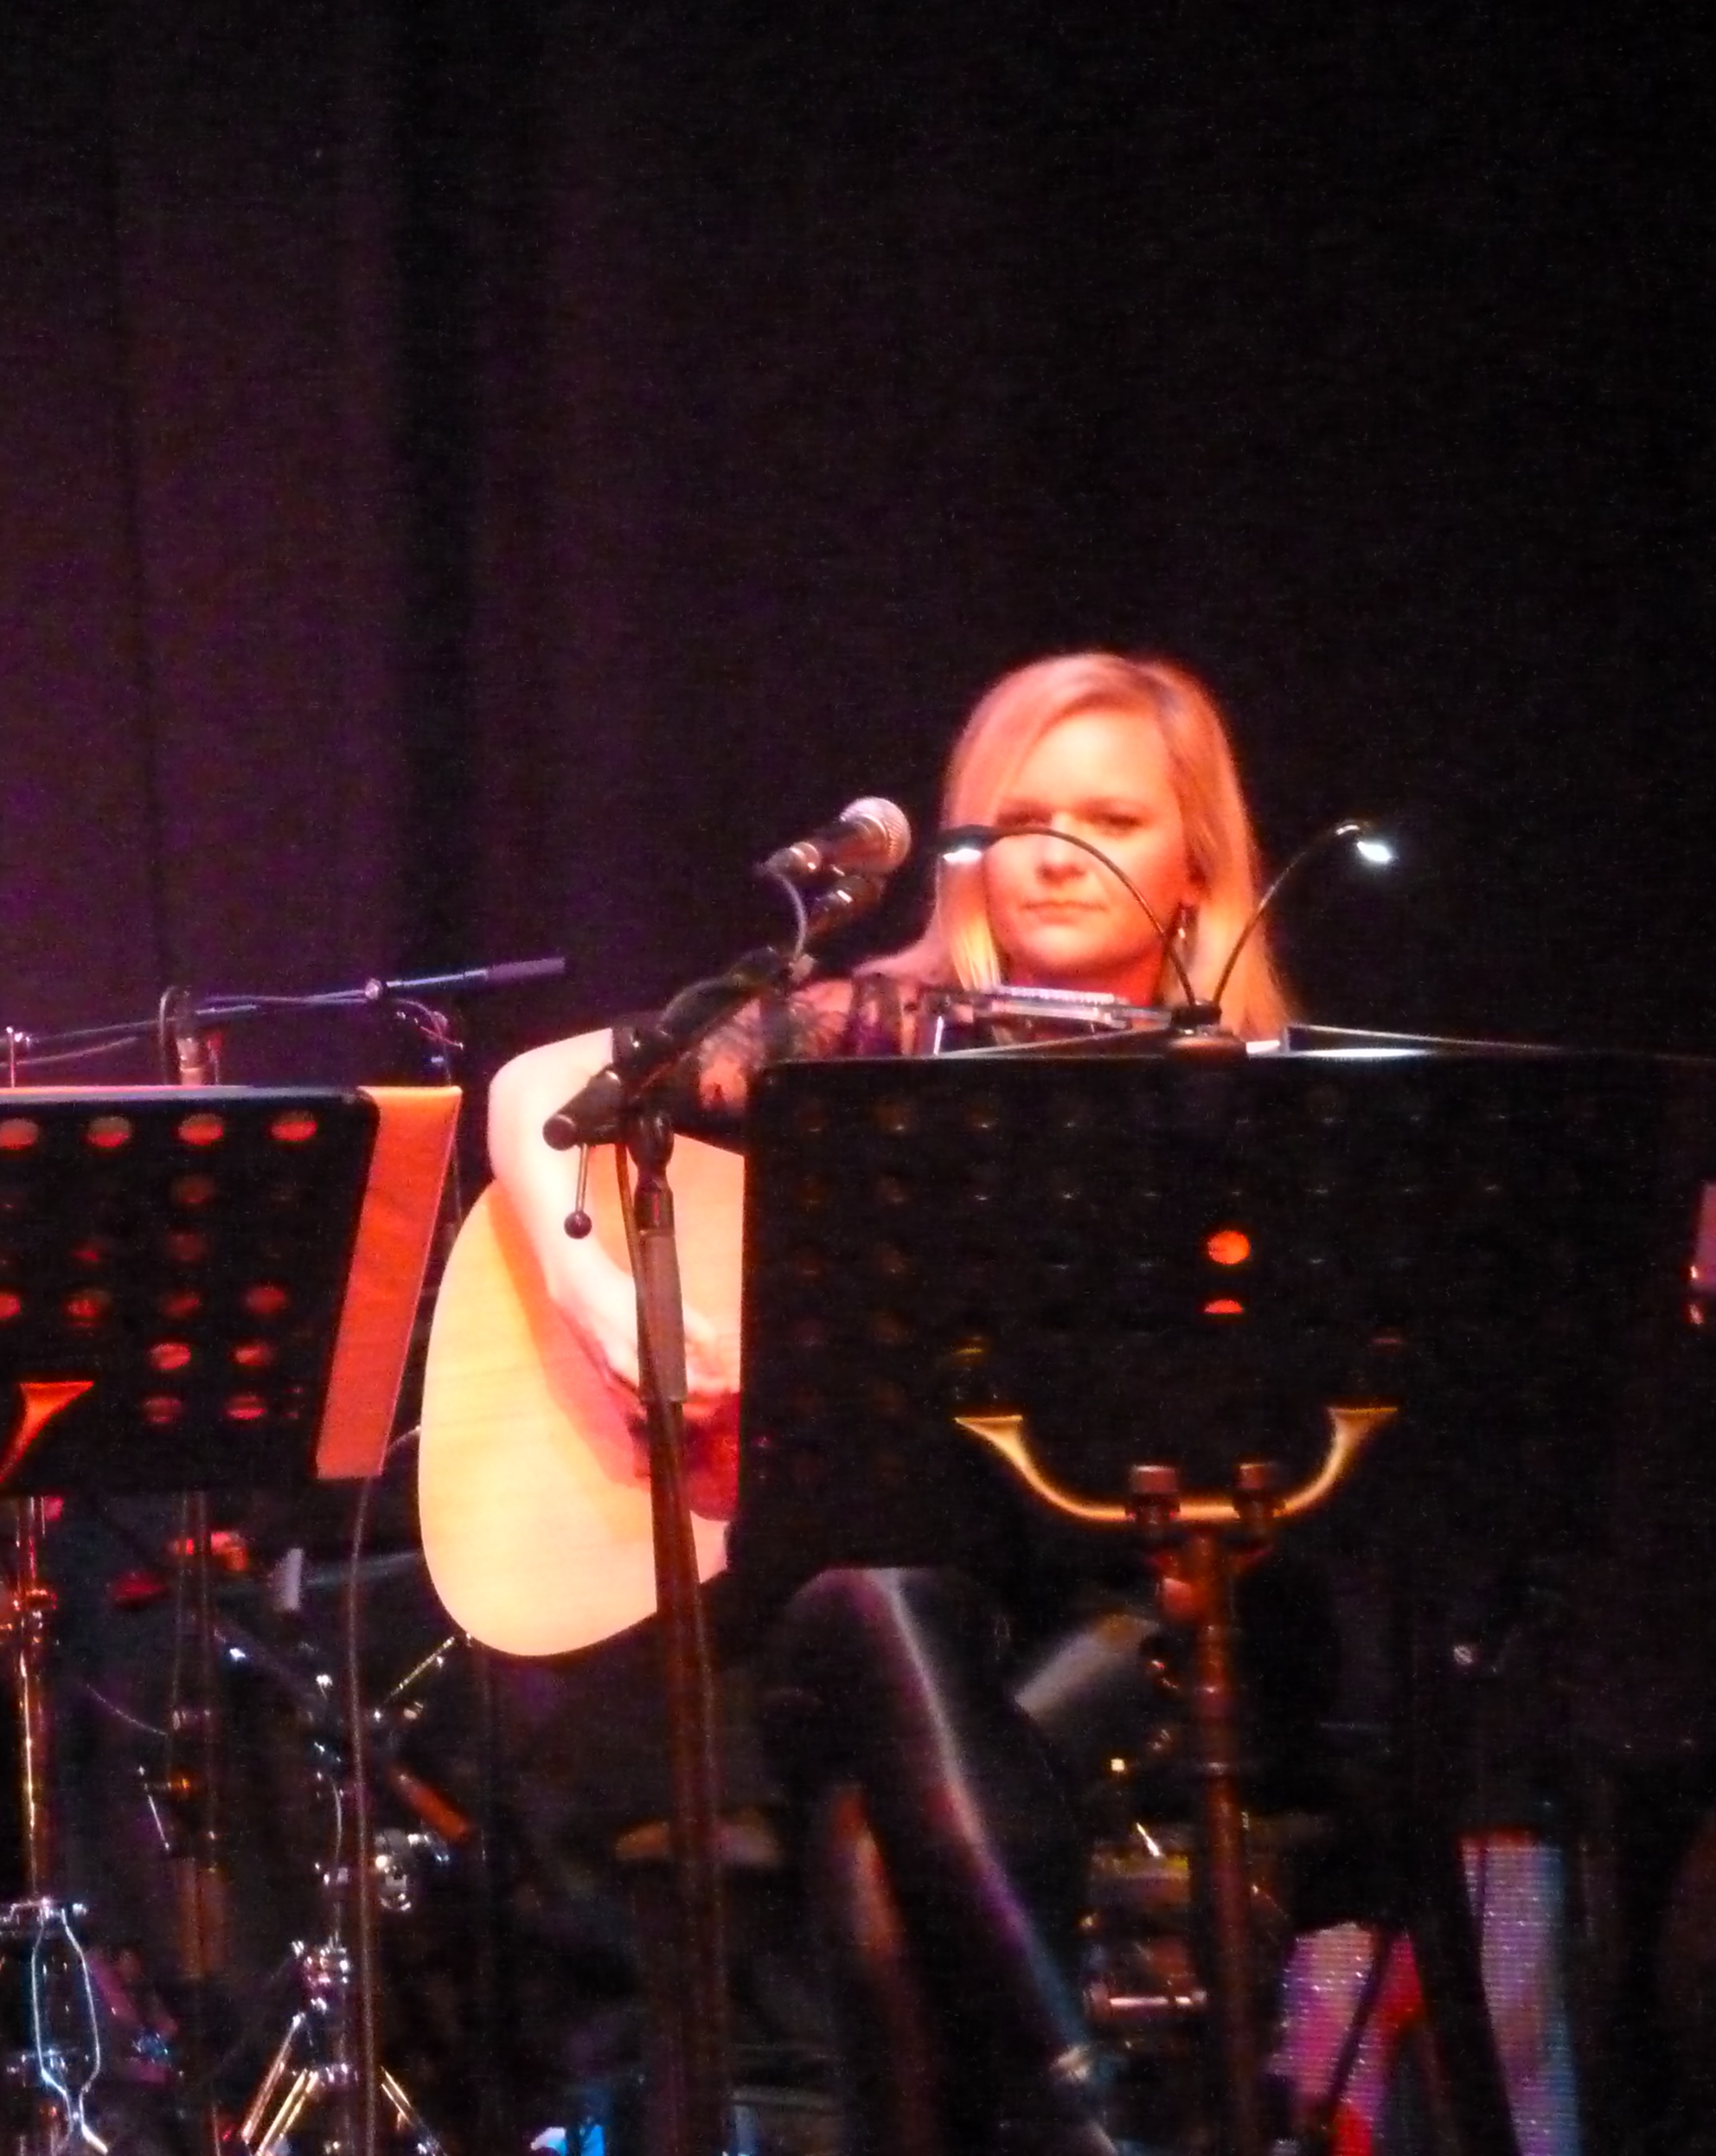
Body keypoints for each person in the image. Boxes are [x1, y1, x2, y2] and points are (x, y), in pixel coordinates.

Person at [481, 651, 1290, 2156]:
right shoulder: (875, 1029)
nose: (1058, 851)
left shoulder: (1256, 1094)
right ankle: (1086, 2114)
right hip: (896, 1593)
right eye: (1021, 818)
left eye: (1112, 818)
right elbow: (542, 1088)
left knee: (872, 1827)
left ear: (1196, 862)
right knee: (871, 1596)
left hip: (1143, 1601)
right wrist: (604, 1303)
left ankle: (1074, 2117)